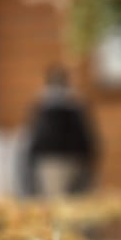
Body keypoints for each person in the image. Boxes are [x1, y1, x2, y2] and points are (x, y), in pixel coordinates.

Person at [20, 64, 98, 197]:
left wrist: (30, 159)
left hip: (50, 161)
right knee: (77, 200)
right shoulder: (77, 103)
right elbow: (88, 136)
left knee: (55, 199)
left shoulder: (42, 104)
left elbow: (33, 136)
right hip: (76, 159)